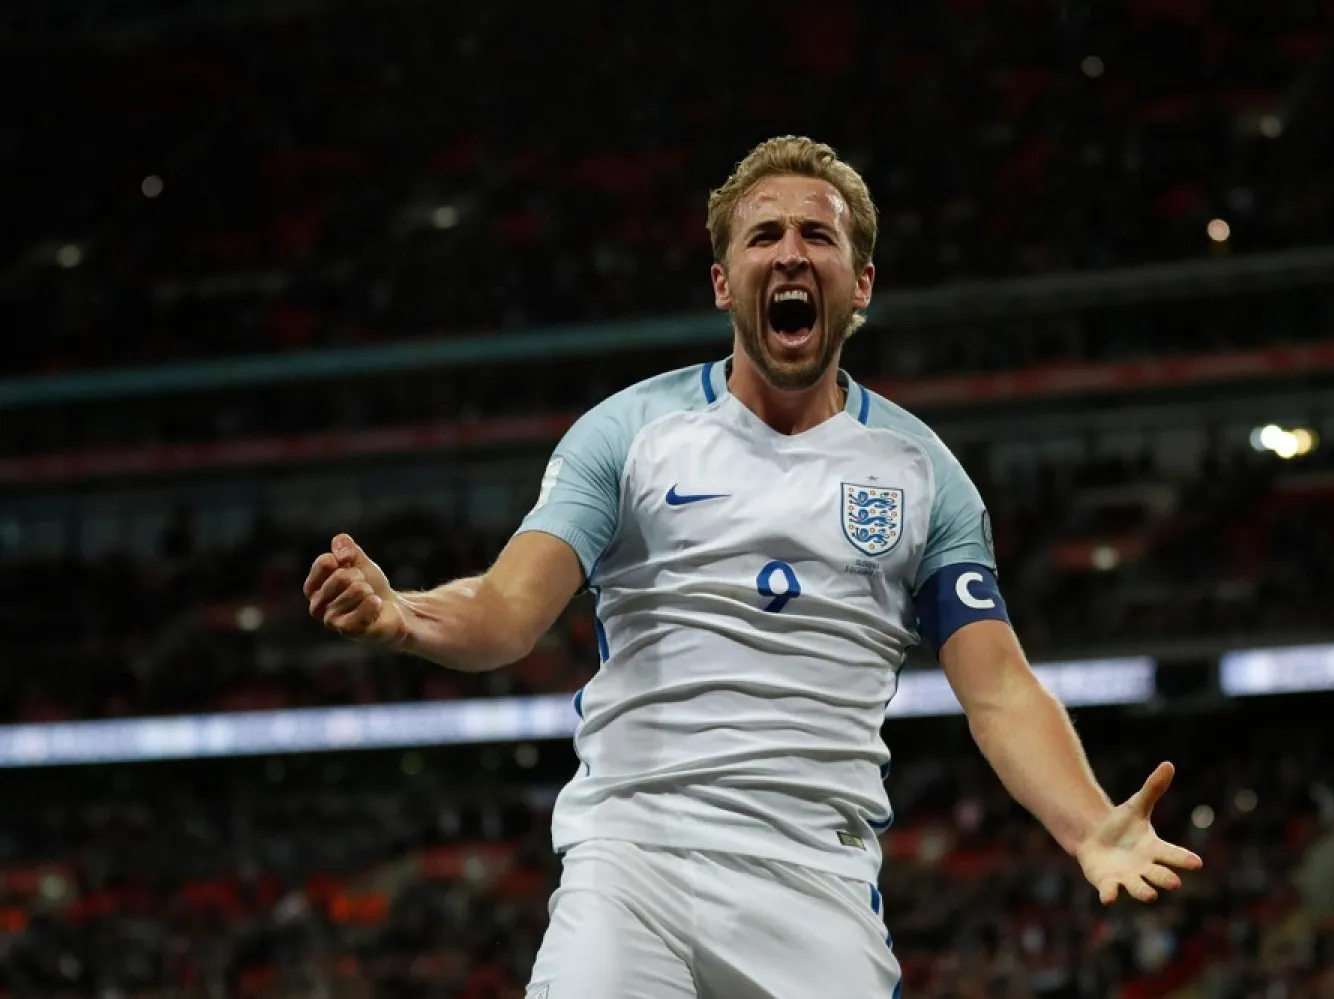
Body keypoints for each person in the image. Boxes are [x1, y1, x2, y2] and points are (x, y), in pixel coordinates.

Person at [303, 136, 1203, 999]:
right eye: (764, 234)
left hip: (816, 877)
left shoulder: (924, 475)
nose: (792, 253)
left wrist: (1089, 826)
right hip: (635, 856)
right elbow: (505, 610)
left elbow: (999, 688)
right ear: (724, 282)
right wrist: (403, 614)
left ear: (862, 285)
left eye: (819, 235)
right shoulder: (629, 435)